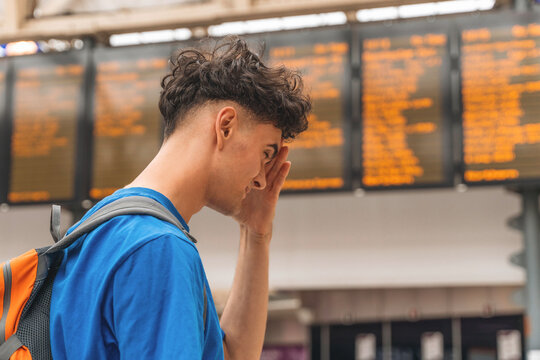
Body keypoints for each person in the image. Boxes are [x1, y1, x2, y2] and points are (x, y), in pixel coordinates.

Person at [49, 37, 311, 359]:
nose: (260, 178)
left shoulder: (101, 229)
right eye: (265, 153)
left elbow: (230, 355)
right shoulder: (157, 247)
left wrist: (256, 235)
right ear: (226, 126)